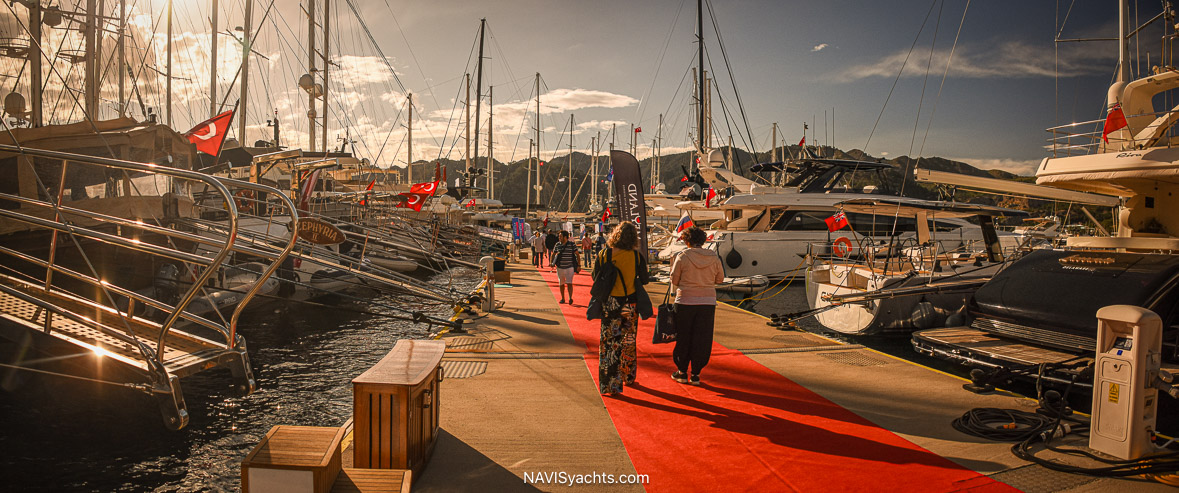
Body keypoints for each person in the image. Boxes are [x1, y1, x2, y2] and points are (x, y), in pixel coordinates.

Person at [587, 221, 652, 396]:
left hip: (610, 303)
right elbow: (645, 280)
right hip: (630, 303)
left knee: (609, 342)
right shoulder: (637, 257)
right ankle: (628, 375)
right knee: (628, 340)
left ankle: (610, 384)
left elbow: (595, 276)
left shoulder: (604, 254)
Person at [669, 226, 724, 386]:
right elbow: (720, 279)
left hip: (685, 301)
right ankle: (696, 373)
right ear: (703, 240)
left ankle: (681, 371)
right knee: (703, 337)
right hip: (707, 302)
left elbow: (675, 280)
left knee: (684, 336)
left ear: (687, 241)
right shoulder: (713, 257)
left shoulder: (683, 256)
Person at [552, 231, 580, 304]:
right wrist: (552, 262)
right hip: (560, 267)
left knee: (569, 283)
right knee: (561, 283)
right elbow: (553, 253)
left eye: (560, 236)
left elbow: (577, 254)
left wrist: (579, 265)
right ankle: (563, 298)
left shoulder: (572, 244)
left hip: (569, 267)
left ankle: (570, 298)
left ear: (565, 237)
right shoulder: (557, 244)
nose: (559, 238)